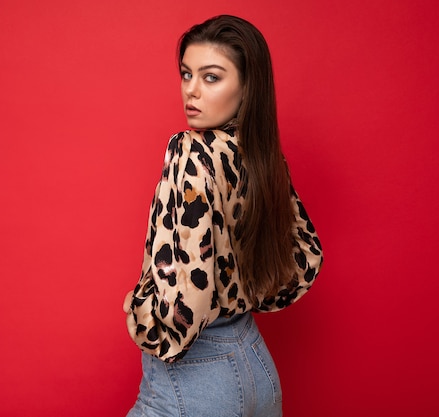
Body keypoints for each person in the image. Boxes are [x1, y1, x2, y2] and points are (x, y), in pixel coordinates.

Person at [123, 15, 323, 417]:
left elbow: (190, 288)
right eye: (186, 74)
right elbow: (306, 257)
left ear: (247, 87)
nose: (191, 90)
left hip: (194, 380)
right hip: (256, 364)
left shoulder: (189, 151)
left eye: (211, 77)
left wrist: (140, 314)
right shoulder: (263, 157)